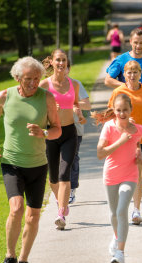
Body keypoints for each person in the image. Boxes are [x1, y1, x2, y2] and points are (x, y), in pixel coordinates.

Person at [0, 56, 61, 263]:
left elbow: (57, 129)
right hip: (12, 162)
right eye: (28, 78)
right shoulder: (5, 96)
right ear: (18, 77)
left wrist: (44, 133)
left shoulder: (47, 98)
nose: (32, 83)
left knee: (33, 216)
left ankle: (23, 261)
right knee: (16, 208)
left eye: (37, 79)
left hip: (38, 164)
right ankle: (9, 258)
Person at [108, 60, 142, 224]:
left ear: (141, 74)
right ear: (124, 74)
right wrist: (123, 119)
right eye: (129, 72)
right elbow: (110, 113)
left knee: (138, 177)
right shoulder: (118, 91)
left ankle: (136, 211)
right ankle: (119, 208)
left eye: (135, 72)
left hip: (141, 138)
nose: (132, 76)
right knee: (121, 175)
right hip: (122, 138)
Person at [93, 94, 142, 263]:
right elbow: (100, 153)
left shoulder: (138, 130)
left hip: (130, 175)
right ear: (114, 111)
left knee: (122, 210)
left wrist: (139, 156)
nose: (122, 113)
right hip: (111, 175)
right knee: (114, 213)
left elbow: (137, 148)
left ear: (131, 110)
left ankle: (120, 253)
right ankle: (116, 237)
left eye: (125, 110)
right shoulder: (108, 127)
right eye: (118, 110)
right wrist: (120, 142)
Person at [40, 49, 86, 230]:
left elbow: (76, 104)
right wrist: (50, 108)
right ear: (51, 62)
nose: (61, 63)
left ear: (67, 63)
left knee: (64, 174)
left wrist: (79, 115)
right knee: (52, 179)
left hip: (69, 133)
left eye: (64, 60)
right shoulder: (44, 85)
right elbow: (36, 111)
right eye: (58, 60)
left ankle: (60, 214)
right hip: (51, 133)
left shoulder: (73, 84)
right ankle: (63, 203)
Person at [104, 28, 142, 134]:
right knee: (126, 139)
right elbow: (108, 80)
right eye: (135, 42)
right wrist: (127, 87)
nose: (138, 46)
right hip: (125, 107)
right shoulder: (121, 60)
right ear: (130, 41)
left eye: (141, 43)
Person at [68, 67, 92, 204]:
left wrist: (68, 103)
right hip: (55, 128)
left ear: (68, 69)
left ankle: (71, 189)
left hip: (74, 127)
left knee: (72, 158)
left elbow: (87, 105)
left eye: (65, 66)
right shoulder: (48, 85)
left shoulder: (75, 84)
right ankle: (60, 188)